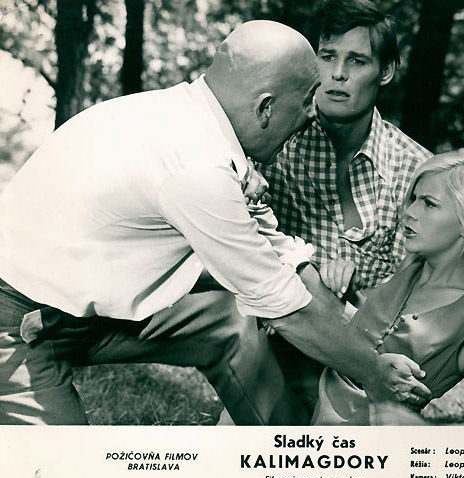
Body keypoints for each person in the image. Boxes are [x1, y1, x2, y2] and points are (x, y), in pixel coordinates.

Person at [0, 21, 430, 425]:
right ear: (265, 108)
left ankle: (290, 456)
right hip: (16, 319)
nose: (311, 116)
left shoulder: (199, 123)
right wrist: (373, 374)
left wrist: (366, 351)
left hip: (90, 308)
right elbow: (282, 304)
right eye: (304, 102)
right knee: (65, 470)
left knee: (228, 320)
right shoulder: (197, 168)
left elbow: (285, 260)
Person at [257, 0, 433, 421]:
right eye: (327, 56)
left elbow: (420, 297)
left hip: (368, 362)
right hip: (279, 346)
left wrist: (354, 293)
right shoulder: (273, 145)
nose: (338, 74)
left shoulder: (415, 169)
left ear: (385, 72)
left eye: (356, 60)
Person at [312, 152, 464, 426]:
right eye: (414, 198)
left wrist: (428, 435)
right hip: (317, 422)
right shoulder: (411, 266)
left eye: (429, 204)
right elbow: (377, 333)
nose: (409, 212)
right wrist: (347, 291)